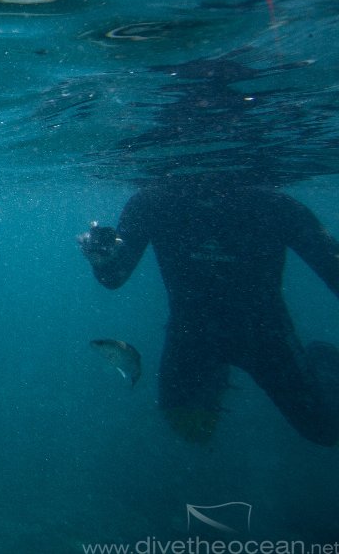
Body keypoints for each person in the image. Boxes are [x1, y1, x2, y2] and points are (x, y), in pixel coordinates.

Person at [79, 173, 339, 445]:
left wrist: (105, 263)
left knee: (324, 431)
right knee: (188, 427)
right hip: (194, 333)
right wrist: (102, 258)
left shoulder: (272, 203)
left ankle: (324, 359)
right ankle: (218, 372)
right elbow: (114, 277)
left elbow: (332, 268)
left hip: (263, 334)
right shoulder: (153, 202)